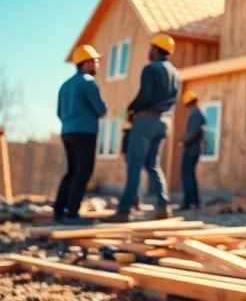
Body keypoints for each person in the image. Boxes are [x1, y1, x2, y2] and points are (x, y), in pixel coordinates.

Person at [108, 33, 180, 223]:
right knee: (153, 165)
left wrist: (131, 108)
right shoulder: (175, 73)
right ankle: (163, 206)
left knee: (135, 165)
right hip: (163, 122)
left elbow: (145, 95)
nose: (149, 51)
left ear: (156, 49)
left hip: (146, 121)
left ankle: (124, 211)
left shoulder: (151, 69)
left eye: (150, 48)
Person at [54, 45, 107, 225]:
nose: (97, 66)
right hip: (85, 132)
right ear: (86, 63)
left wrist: (70, 121)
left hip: (67, 131)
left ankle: (59, 211)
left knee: (72, 171)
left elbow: (59, 112)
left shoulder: (65, 85)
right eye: (95, 61)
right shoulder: (88, 83)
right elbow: (101, 109)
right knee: (83, 171)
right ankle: (72, 214)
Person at [178, 90, 206, 213]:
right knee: (190, 175)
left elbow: (194, 132)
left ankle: (189, 202)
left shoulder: (195, 114)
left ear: (189, 103)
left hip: (191, 150)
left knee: (187, 175)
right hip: (194, 149)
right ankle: (194, 202)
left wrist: (184, 141)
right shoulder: (198, 113)